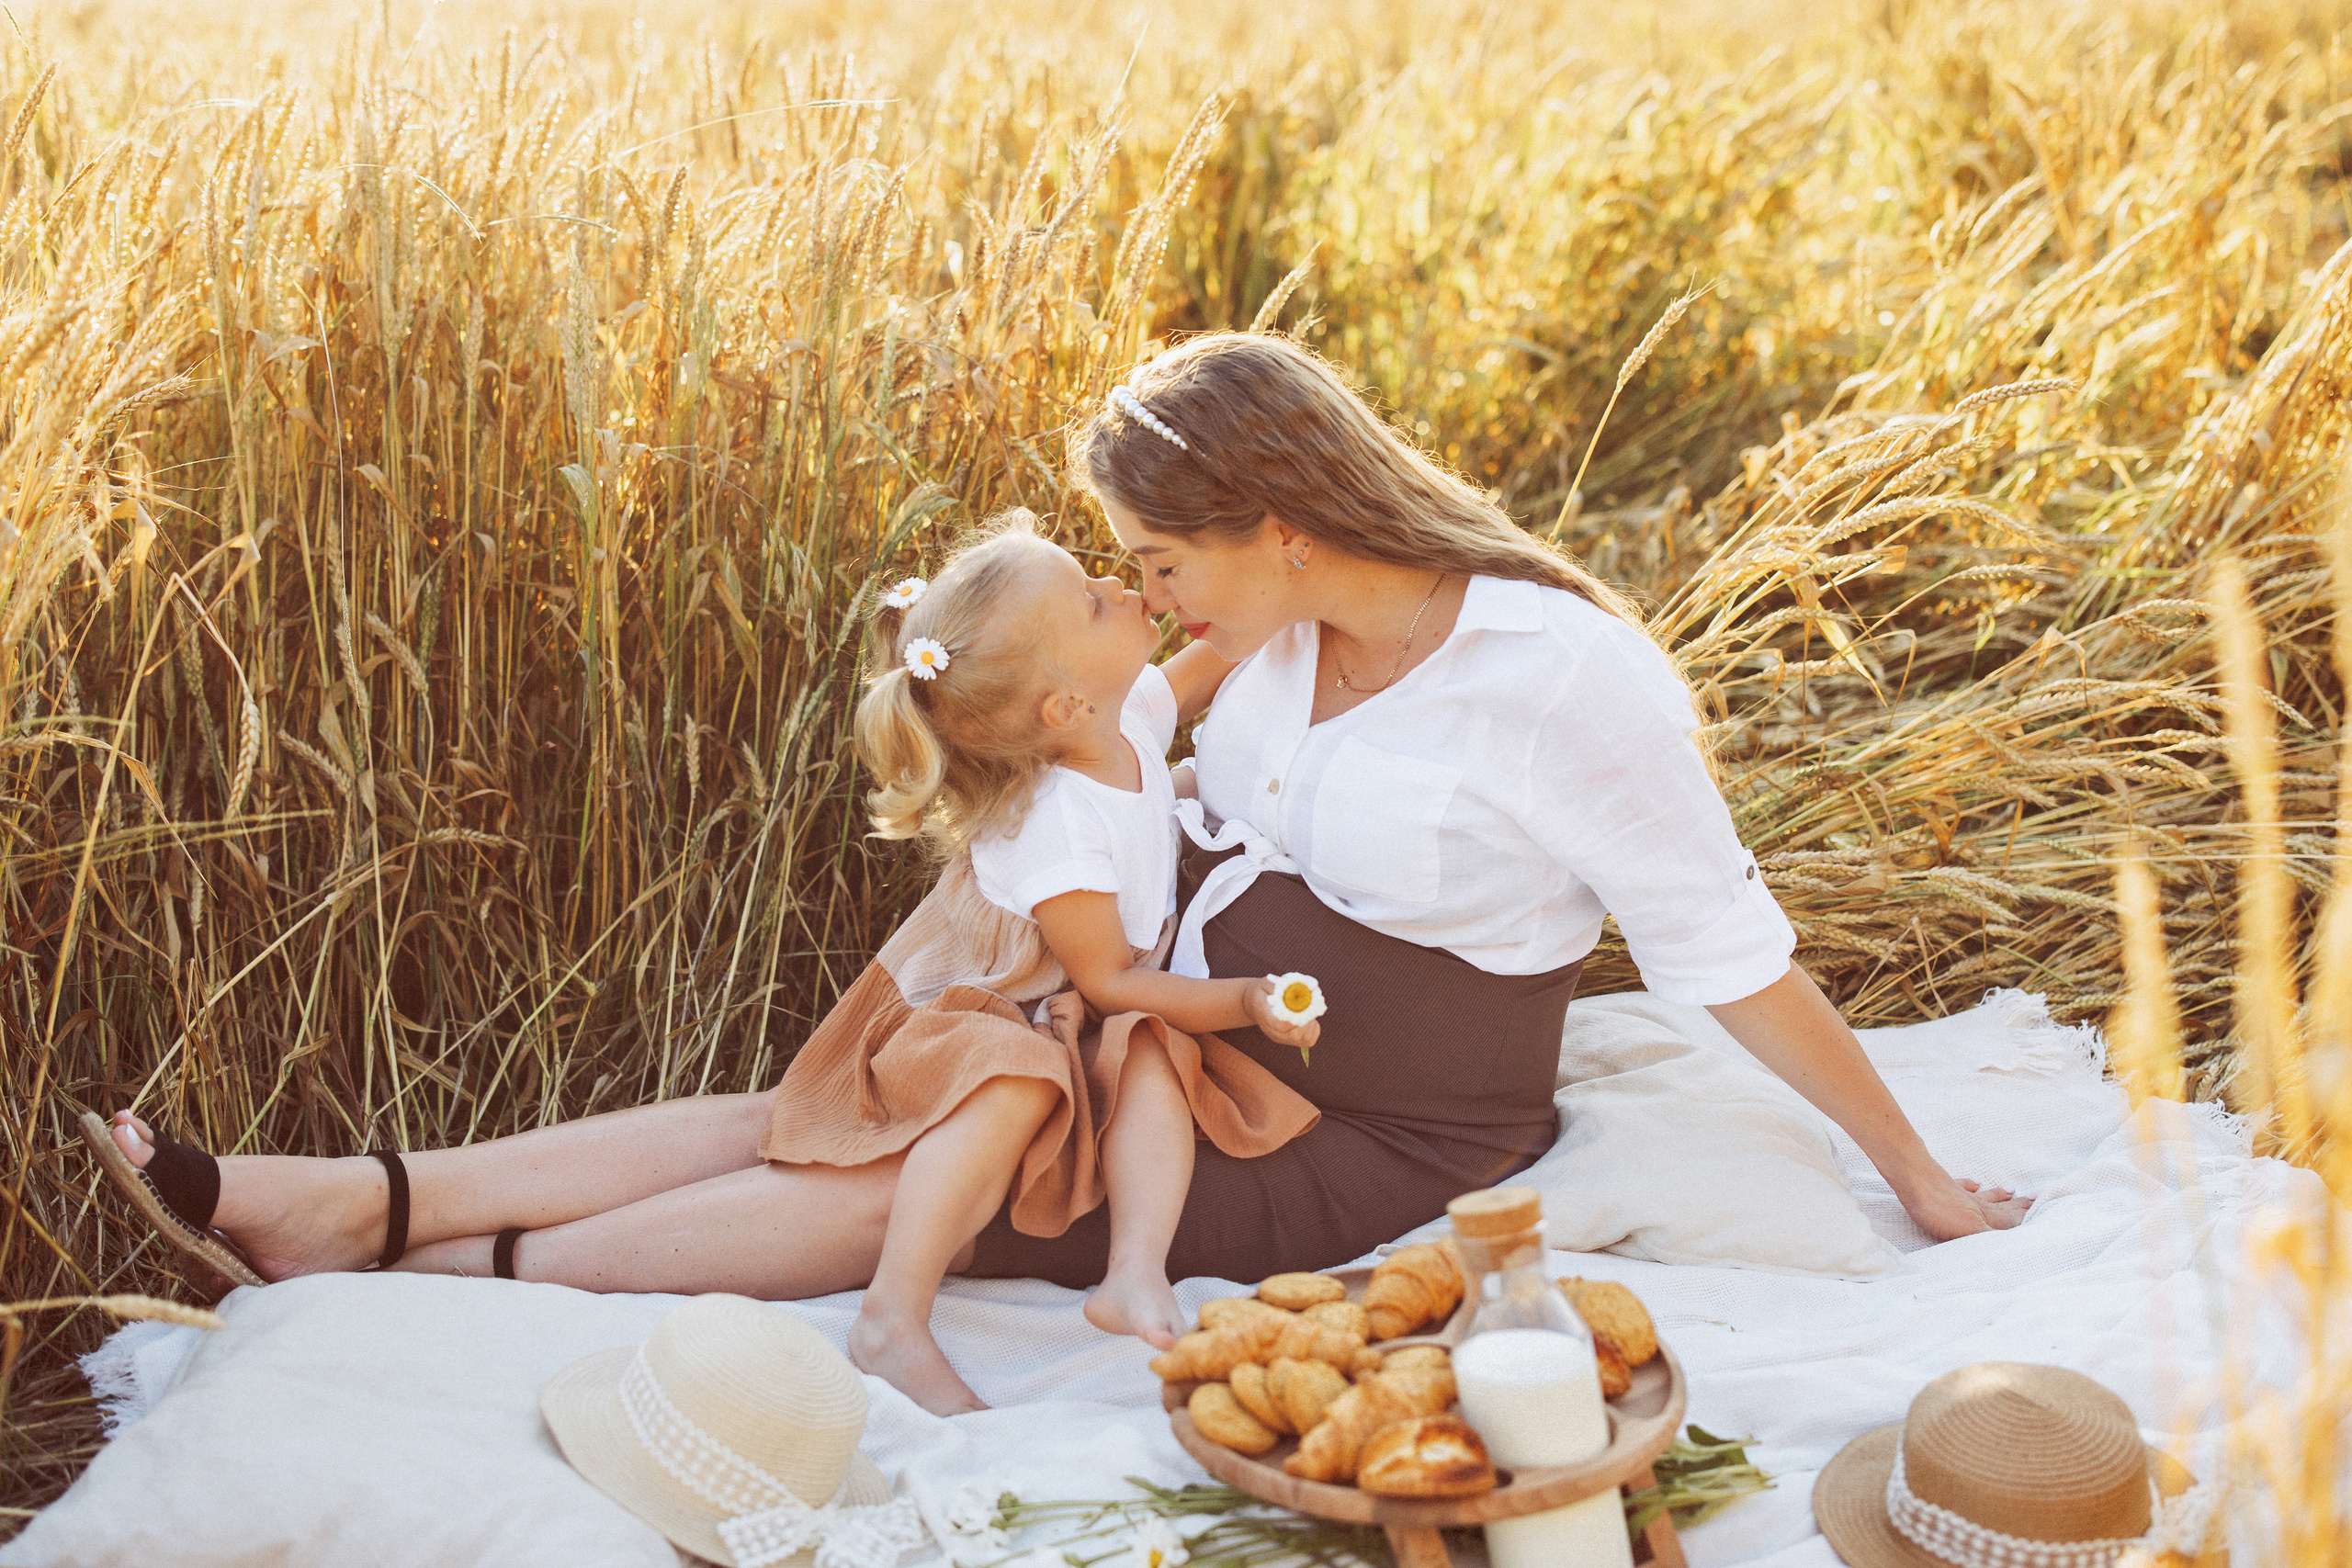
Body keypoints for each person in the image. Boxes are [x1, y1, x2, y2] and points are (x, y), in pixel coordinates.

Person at [92, 332, 2027, 1409]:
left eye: (1155, 559)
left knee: (929, 1174)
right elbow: (1087, 731)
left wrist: (1914, 1172)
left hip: (1348, 1108)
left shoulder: (1558, 680)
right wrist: (999, 911)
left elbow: (1725, 951)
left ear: (1273, 526)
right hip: (1159, 1000)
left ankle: (412, 1280)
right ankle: (356, 1197)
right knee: (838, 1096)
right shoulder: (1257, 630)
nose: (1144, 592)